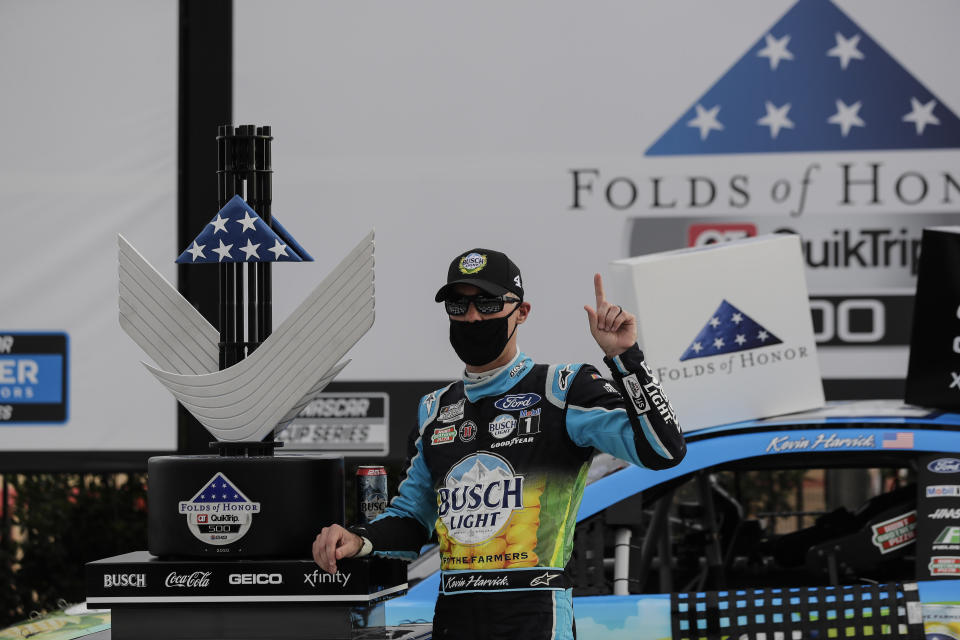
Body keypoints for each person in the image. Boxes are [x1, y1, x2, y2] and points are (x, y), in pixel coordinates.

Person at [313, 248, 687, 640]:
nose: (473, 317)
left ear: (521, 312)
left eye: (488, 304)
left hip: (535, 616)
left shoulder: (562, 389)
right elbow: (412, 520)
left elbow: (663, 450)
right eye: (459, 305)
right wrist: (358, 539)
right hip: (454, 617)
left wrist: (626, 358)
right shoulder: (436, 410)